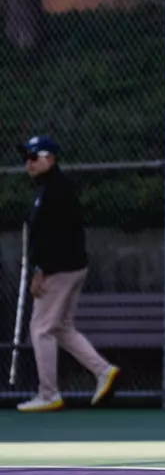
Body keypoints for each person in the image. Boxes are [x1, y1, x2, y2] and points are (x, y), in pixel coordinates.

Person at [15, 135, 120, 412]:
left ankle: (49, 394)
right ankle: (103, 371)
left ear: (50, 158)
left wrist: (40, 271)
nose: (29, 162)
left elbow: (52, 236)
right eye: (26, 157)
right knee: (60, 327)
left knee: (40, 329)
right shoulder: (50, 188)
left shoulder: (55, 190)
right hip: (71, 267)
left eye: (34, 157)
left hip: (59, 269)